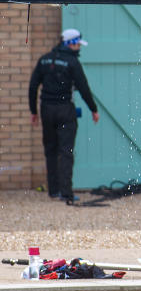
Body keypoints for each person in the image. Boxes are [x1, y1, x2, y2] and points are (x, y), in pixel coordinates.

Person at [28, 28, 100, 204]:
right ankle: (66, 193)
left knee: (50, 150)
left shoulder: (44, 59)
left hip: (46, 109)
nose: (79, 48)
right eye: (78, 44)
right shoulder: (72, 62)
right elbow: (83, 87)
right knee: (66, 151)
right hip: (65, 110)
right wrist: (93, 109)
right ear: (71, 43)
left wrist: (33, 111)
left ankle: (53, 191)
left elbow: (32, 86)